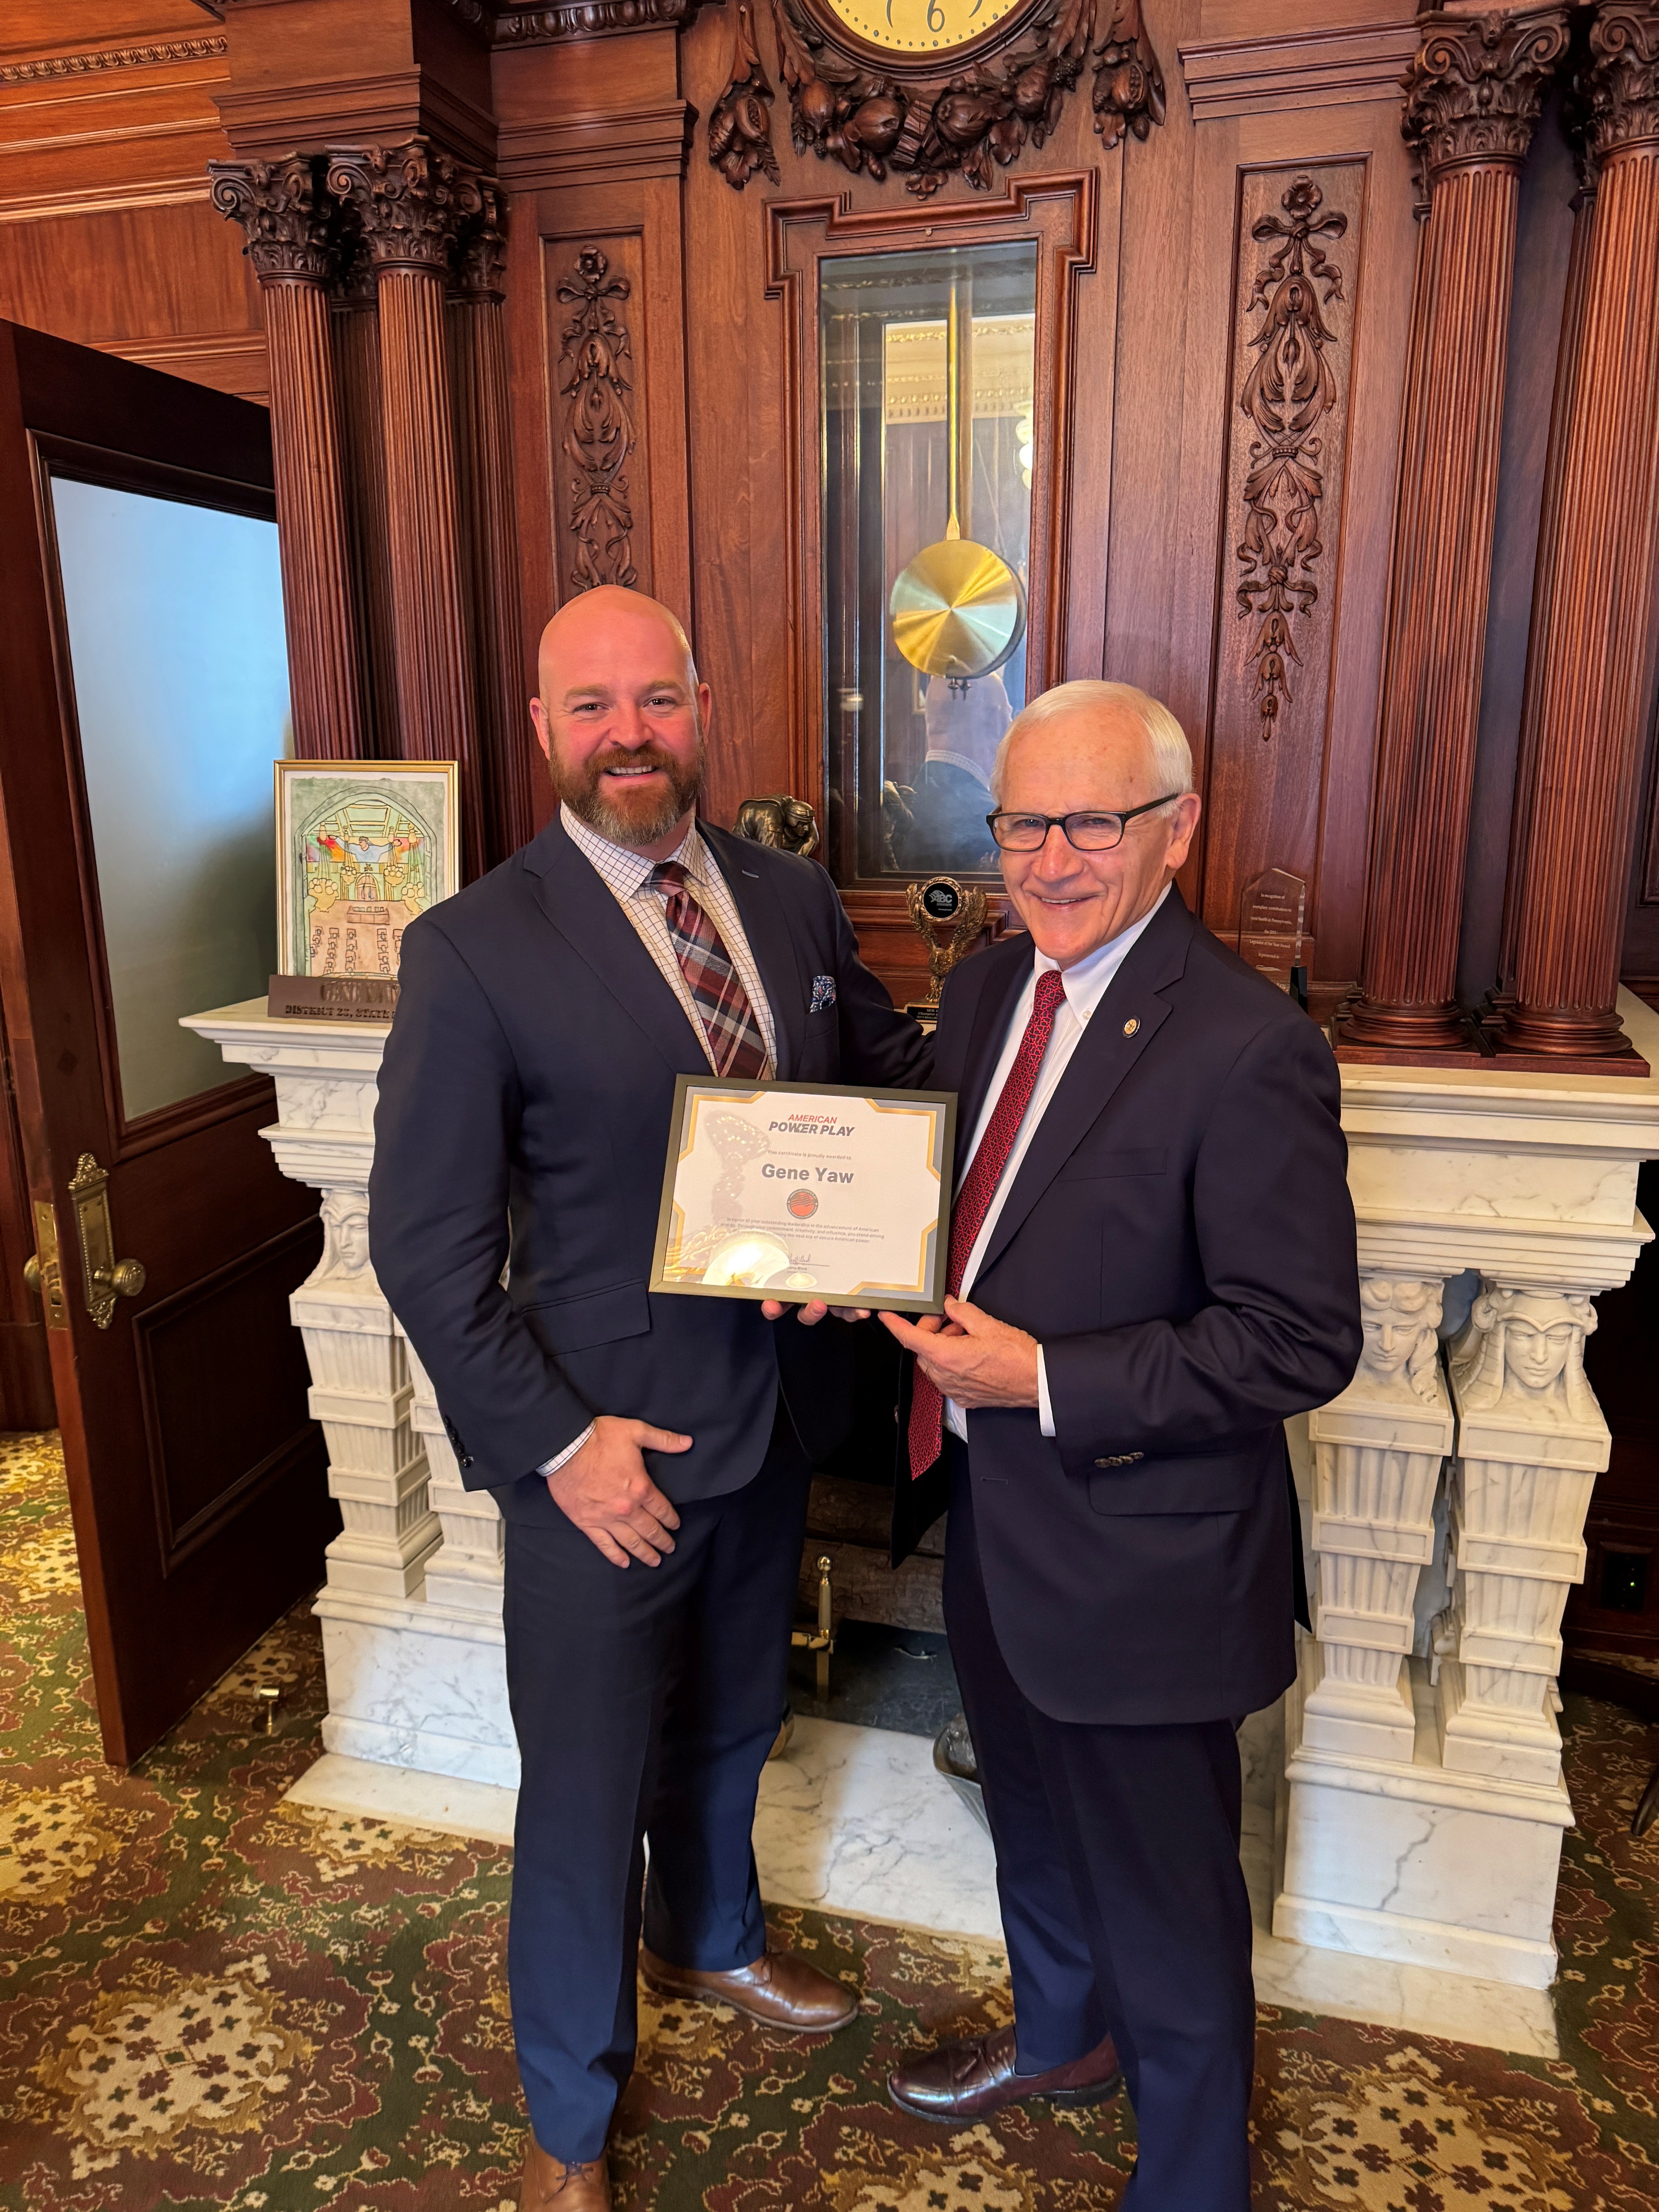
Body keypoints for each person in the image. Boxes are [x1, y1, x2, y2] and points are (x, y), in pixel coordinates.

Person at [369, 586, 931, 2212]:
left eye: (658, 699)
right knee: (586, 1791)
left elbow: (880, 1084)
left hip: (776, 1414)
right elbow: (424, 1247)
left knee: (738, 1720)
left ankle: (712, 1940)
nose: (630, 734)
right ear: (543, 728)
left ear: (700, 706)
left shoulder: (791, 896)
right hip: (601, 1458)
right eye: (593, 705)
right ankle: (569, 2120)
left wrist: (1050, 1025)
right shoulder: (471, 948)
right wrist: (559, 1448)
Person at [879, 679, 1360, 2211]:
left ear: (1177, 830)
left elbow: (1298, 1340)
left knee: (1167, 1895)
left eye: (1093, 823)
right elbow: (959, 1209)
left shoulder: (1247, 1044)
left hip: (1146, 1561)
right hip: (994, 1515)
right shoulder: (983, 993)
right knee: (1027, 1815)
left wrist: (1045, 1377)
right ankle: (1062, 2034)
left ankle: (1196, 2177)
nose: (1050, 860)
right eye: (1022, 824)